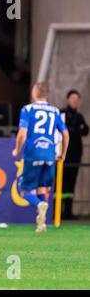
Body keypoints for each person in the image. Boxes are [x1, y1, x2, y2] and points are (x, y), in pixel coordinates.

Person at [12, 83, 69, 233]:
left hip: (33, 153)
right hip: (50, 155)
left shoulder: (28, 109)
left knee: (23, 189)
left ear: (34, 92)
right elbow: (65, 134)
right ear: (47, 94)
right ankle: (41, 224)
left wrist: (17, 149)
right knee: (42, 188)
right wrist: (63, 153)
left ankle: (38, 204)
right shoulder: (55, 111)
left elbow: (22, 133)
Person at [60, 90, 89, 219]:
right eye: (73, 98)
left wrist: (76, 130)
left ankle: (68, 212)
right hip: (63, 155)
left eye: (77, 99)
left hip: (75, 156)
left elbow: (85, 130)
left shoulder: (79, 116)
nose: (75, 101)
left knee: (71, 183)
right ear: (68, 99)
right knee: (61, 182)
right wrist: (76, 130)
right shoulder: (61, 113)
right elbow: (60, 130)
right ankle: (57, 212)